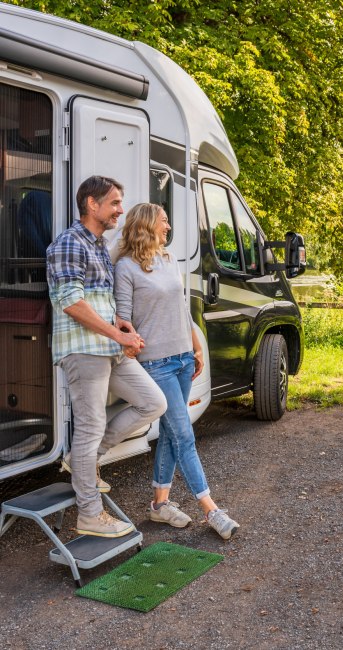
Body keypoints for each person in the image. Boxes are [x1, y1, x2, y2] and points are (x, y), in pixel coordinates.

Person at [46, 176, 167, 538]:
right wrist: (117, 334)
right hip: (84, 351)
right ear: (91, 204)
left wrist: (121, 327)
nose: (120, 210)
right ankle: (89, 515)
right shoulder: (69, 243)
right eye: (114, 203)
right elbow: (71, 302)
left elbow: (99, 300)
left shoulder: (98, 245)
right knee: (89, 427)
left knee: (152, 403)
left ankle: (83, 461)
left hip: (108, 348)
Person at [114, 203, 239, 540]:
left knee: (171, 433)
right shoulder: (126, 267)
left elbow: (181, 309)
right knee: (184, 436)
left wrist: (196, 346)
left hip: (183, 358)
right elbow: (123, 320)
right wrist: (133, 348)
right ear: (145, 226)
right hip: (156, 363)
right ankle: (211, 509)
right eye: (164, 222)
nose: (168, 228)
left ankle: (159, 505)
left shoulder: (168, 260)